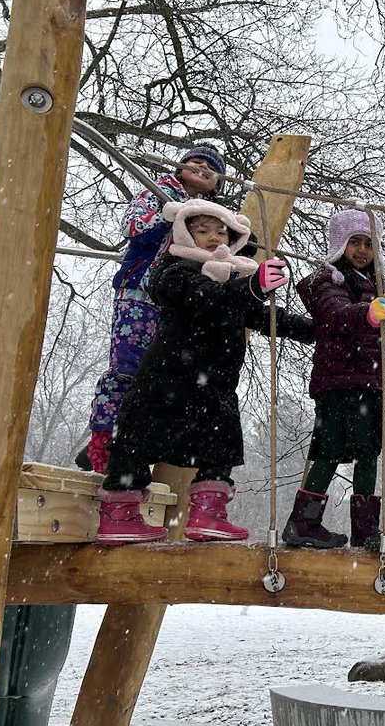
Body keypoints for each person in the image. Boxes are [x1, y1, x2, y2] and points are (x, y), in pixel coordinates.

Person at [95, 199, 313, 545]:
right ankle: (121, 514)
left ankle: (207, 513)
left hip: (213, 384)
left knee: (219, 444)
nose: (214, 237)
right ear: (185, 233)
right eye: (203, 230)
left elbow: (269, 318)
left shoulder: (233, 285)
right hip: (166, 376)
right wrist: (253, 286)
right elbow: (205, 297)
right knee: (136, 439)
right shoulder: (173, 269)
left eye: (221, 230)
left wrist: (327, 331)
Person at [283, 209, 385, 550]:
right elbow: (336, 316)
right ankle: (303, 521)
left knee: (368, 453)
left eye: (368, 244)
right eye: (354, 242)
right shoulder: (327, 281)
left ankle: (365, 530)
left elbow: (371, 335)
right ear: (339, 244)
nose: (362, 250)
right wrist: (368, 313)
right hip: (338, 382)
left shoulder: (370, 286)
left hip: (368, 383)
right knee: (329, 451)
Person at [81, 144, 228, 474]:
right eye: (196, 161)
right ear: (181, 166)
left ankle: (131, 444)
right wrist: (164, 215)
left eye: (211, 167)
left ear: (217, 184)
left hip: (177, 301)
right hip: (141, 291)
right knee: (127, 368)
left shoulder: (214, 217)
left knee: (161, 377)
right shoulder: (159, 190)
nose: (202, 167)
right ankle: (102, 441)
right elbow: (131, 226)